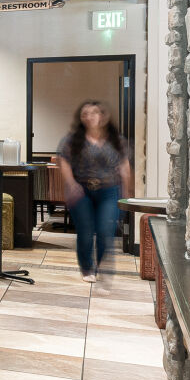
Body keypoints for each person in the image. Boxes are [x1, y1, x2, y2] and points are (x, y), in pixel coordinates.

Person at [56, 100, 133, 282]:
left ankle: (102, 267)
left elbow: (124, 165)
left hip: (109, 191)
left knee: (106, 231)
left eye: (94, 113)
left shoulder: (116, 140)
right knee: (85, 231)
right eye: (85, 114)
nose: (89, 117)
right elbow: (63, 159)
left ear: (103, 116)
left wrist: (126, 191)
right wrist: (71, 183)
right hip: (82, 191)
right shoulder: (73, 139)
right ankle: (87, 268)